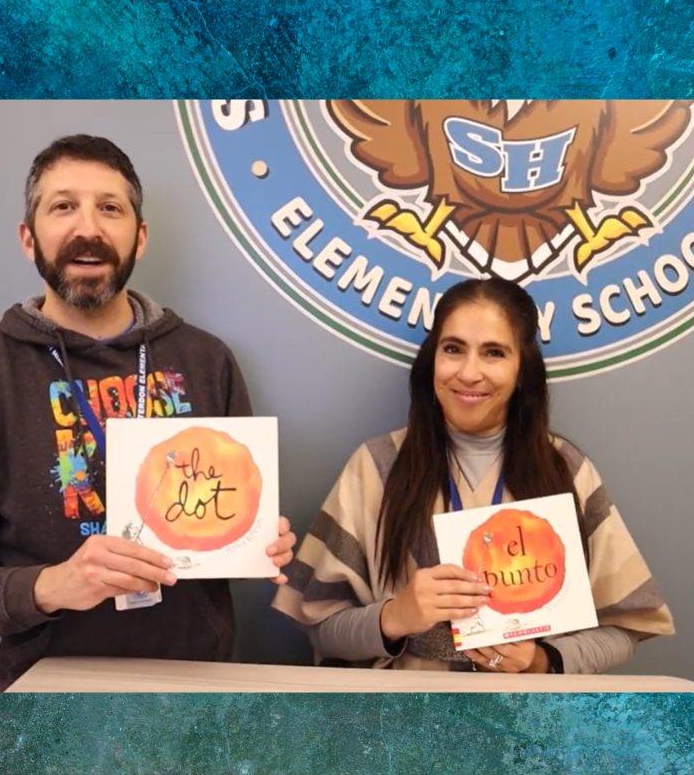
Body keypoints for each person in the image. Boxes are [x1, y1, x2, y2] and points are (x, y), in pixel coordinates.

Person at [0, 134, 295, 692]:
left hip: (200, 688)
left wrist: (255, 539)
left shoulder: (207, 361)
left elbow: (230, 525)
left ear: (138, 239)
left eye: (109, 209)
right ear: (28, 237)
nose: (87, 229)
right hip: (50, 701)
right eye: (63, 206)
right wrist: (55, 585)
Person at [273, 277, 673, 674]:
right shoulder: (376, 467)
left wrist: (541, 661)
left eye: (494, 353)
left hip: (529, 727)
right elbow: (319, 627)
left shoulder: (566, 470)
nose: (468, 373)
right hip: (400, 724)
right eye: (453, 349)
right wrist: (395, 617)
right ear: (432, 359)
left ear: (522, 369)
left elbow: (625, 627)